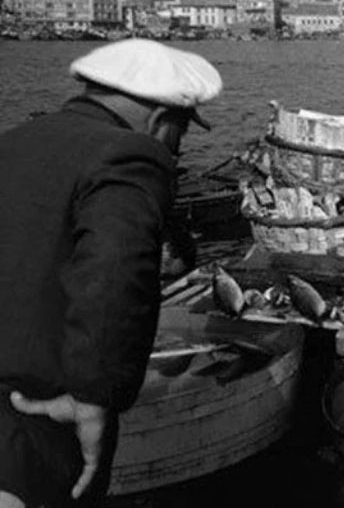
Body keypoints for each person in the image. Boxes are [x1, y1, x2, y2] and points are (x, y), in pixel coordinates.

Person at [0, 39, 222, 508]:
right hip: (30, 428)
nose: (175, 152)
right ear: (163, 122)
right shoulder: (130, 155)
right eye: (179, 137)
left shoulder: (13, 141)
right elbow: (114, 273)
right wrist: (94, 396)